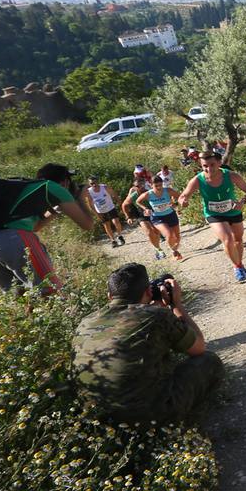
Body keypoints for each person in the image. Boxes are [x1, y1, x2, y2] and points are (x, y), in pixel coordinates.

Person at [73, 264, 223, 423]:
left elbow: (130, 317)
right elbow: (198, 348)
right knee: (209, 361)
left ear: (110, 296)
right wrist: (176, 304)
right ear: (148, 292)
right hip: (151, 416)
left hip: (97, 417)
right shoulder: (157, 316)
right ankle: (190, 420)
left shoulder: (86, 322)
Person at [0, 163, 95, 294]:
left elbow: (35, 226)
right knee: (48, 290)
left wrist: (55, 211)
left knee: (18, 295)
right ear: (65, 182)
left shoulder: (26, 189)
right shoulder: (55, 187)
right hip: (11, 239)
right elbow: (87, 225)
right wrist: (80, 198)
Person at [178, 151, 246, 283]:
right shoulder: (198, 180)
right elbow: (183, 195)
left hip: (233, 211)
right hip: (213, 214)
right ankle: (237, 267)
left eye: (212, 165)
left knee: (238, 240)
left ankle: (240, 265)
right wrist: (183, 201)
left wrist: (242, 202)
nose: (209, 169)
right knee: (228, 239)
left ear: (219, 163)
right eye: (205, 166)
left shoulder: (231, 176)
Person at [135, 175, 183, 261]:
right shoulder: (148, 194)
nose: (159, 187)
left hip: (171, 215)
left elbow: (180, 197)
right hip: (157, 217)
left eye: (160, 185)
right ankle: (174, 252)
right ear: (151, 185)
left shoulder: (168, 191)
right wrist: (145, 208)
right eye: (156, 186)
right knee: (169, 234)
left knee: (177, 237)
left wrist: (175, 204)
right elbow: (138, 201)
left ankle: (175, 249)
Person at [122, 173, 163, 256]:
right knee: (149, 232)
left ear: (144, 184)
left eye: (141, 185)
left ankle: (157, 246)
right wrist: (128, 217)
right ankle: (158, 250)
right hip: (140, 215)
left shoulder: (149, 191)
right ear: (134, 186)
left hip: (153, 212)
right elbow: (124, 205)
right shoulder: (134, 195)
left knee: (156, 232)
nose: (140, 187)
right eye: (137, 186)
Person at [83, 175, 126, 247]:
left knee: (116, 222)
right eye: (91, 183)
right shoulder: (89, 192)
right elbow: (90, 204)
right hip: (100, 211)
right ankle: (113, 240)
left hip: (110, 208)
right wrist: (96, 214)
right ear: (89, 184)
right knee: (106, 225)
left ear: (97, 182)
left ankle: (120, 236)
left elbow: (114, 195)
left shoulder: (104, 187)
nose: (94, 185)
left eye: (95, 182)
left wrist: (120, 204)